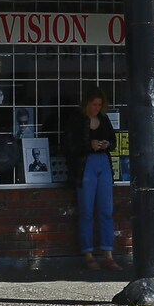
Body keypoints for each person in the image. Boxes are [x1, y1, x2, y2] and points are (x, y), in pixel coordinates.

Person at [61, 88, 117, 270]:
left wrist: (106, 144)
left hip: (103, 162)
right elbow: (68, 146)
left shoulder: (104, 119)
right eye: (94, 104)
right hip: (85, 165)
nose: (97, 108)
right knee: (86, 210)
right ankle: (88, 253)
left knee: (106, 210)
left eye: (100, 105)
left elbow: (114, 141)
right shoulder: (76, 120)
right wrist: (88, 145)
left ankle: (108, 253)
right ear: (87, 103)